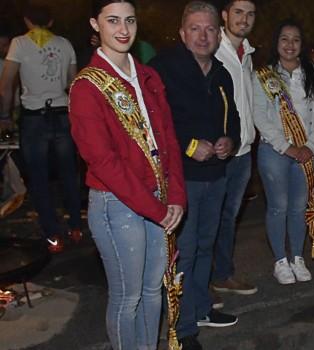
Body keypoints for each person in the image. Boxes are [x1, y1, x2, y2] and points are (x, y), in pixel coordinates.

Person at [67, 1, 187, 349]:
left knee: (153, 291)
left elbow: (168, 139)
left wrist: (176, 195)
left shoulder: (148, 76)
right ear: (95, 24)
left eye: (130, 20)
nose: (123, 29)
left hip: (159, 199)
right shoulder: (87, 87)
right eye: (113, 20)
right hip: (117, 204)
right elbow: (104, 162)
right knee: (128, 296)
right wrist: (158, 208)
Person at [150, 2, 241, 348]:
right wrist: (189, 146)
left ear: (218, 33)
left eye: (210, 29)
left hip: (216, 176)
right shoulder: (162, 69)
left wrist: (229, 141)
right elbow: (155, 125)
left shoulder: (222, 73)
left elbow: (232, 120)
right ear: (182, 33)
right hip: (180, 178)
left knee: (206, 246)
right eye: (195, 29)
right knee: (183, 253)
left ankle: (201, 307)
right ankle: (182, 328)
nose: (203, 36)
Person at [253, 19, 314, 285]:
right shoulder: (263, 75)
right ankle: (280, 261)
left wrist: (311, 145)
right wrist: (287, 147)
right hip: (275, 151)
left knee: (300, 206)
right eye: (284, 39)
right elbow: (260, 116)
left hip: (308, 151)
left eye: (295, 39)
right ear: (276, 43)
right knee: (278, 206)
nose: (289, 45)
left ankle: (297, 257)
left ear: (302, 44)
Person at [0, 3, 83, 253]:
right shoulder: (65, 44)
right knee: (69, 174)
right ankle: (76, 227)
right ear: (50, 22)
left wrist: (5, 115)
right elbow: (73, 83)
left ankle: (53, 235)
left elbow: (6, 85)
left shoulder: (19, 44)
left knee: (39, 178)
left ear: (27, 20)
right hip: (62, 115)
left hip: (35, 118)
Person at [211, 0, 258, 297]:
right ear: (225, 15)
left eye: (250, 14)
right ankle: (202, 284)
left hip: (243, 152)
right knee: (209, 219)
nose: (244, 19)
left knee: (228, 217)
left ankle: (221, 275)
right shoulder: (214, 49)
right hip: (219, 152)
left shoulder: (248, 54)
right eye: (238, 12)